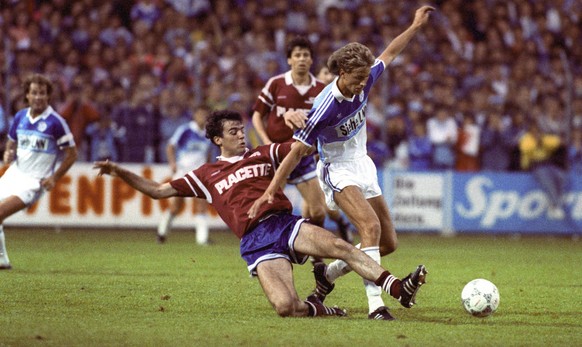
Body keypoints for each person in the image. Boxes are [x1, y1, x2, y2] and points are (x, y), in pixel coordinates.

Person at [93, 110, 426, 319]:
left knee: (342, 246)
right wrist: (119, 171)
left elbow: (299, 148)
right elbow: (158, 190)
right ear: (217, 139)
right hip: (255, 242)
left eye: (242, 130)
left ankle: (396, 288)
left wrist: (302, 122)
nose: (241, 135)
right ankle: (324, 309)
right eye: (234, 132)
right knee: (286, 307)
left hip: (284, 223)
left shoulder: (262, 154)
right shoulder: (205, 175)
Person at [249, 6, 433, 320]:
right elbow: (295, 152)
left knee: (387, 242)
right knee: (369, 227)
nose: (364, 83)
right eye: (358, 78)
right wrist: (270, 190)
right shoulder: (325, 106)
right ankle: (377, 306)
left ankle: (328, 275)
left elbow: (390, 51)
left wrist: (415, 26)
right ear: (342, 73)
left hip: (363, 164)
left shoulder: (367, 76)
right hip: (338, 170)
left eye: (366, 77)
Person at [250, 36, 352, 246]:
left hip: (303, 155)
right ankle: (263, 245)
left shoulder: (320, 90)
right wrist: (267, 141)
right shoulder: (276, 84)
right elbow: (257, 115)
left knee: (317, 211)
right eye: (297, 55)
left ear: (311, 60)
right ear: (289, 60)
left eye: (306, 55)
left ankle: (315, 251)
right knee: (267, 205)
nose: (302, 59)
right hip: (276, 154)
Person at [0, 74, 78, 270]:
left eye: (42, 93)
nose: (38, 97)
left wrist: (55, 177)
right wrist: (9, 153)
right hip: (14, 173)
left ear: (48, 96)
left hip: (34, 181)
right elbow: (11, 142)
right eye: (34, 93)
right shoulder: (20, 116)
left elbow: (72, 154)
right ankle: (2, 260)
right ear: (27, 95)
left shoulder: (55, 122)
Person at [157, 105, 212, 244]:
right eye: (200, 114)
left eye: (205, 115)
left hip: (198, 174)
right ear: (195, 115)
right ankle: (162, 232)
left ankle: (202, 239)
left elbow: (208, 152)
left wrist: (207, 167)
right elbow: (170, 146)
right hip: (183, 172)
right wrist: (172, 163)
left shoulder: (208, 134)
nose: (202, 118)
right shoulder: (185, 130)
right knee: (176, 206)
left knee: (201, 204)